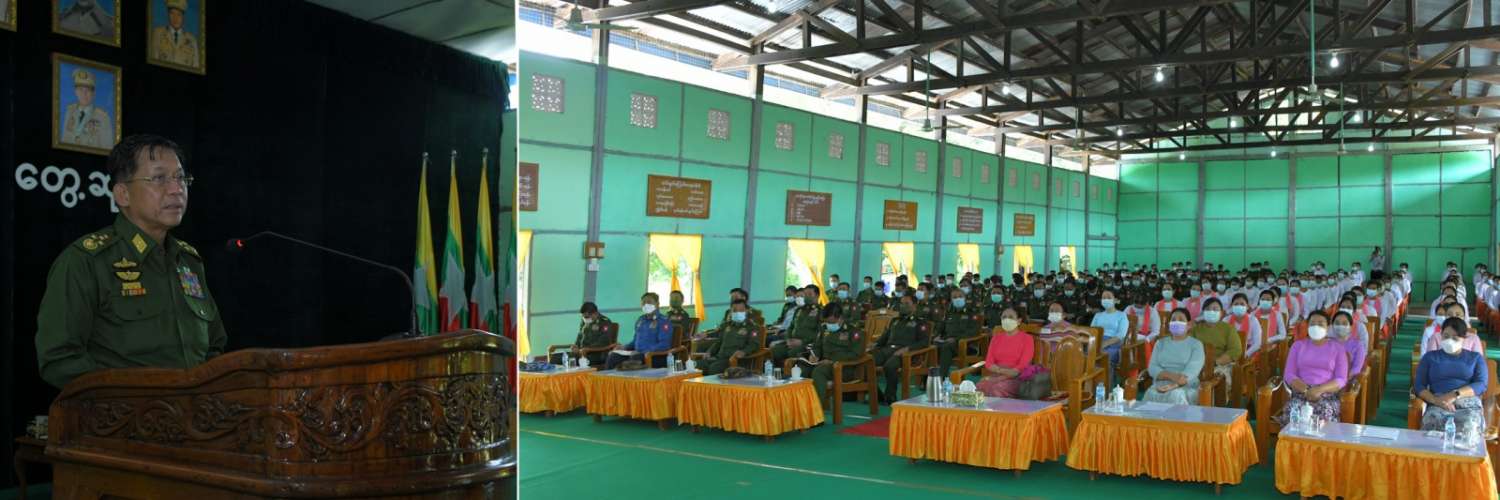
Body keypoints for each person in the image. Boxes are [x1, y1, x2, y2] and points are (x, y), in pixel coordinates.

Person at [36, 135, 223, 389]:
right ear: (123, 194)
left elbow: (214, 347)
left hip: (195, 412)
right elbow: (59, 359)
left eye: (180, 178)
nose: (176, 189)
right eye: (159, 178)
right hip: (124, 411)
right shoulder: (86, 261)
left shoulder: (189, 261)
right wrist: (128, 399)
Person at [1412, 317, 1489, 443]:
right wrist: (1435, 400)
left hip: (1467, 404)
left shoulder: (1475, 358)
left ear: (1464, 338)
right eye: (1446, 336)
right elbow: (1419, 386)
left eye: (1455, 338)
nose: (1449, 341)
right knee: (1432, 421)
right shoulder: (1430, 357)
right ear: (1441, 335)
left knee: (1469, 424)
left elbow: (1481, 384)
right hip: (1439, 404)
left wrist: (1455, 394)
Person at [1274, 311, 1349, 426]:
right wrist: (1306, 390)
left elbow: (1341, 379)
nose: (1316, 327)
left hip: (1327, 395)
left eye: (1320, 324)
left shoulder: (1338, 348)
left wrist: (1319, 390)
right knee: (1294, 412)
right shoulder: (1298, 346)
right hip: (1301, 393)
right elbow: (1289, 374)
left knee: (1324, 412)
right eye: (1312, 324)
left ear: (1328, 327)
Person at [977, 308, 1049, 399]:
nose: (1007, 319)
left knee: (997, 388)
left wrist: (998, 377)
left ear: (1019, 321)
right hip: (996, 375)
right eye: (1004, 317)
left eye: (1011, 317)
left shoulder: (1027, 339)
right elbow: (989, 362)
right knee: (980, 386)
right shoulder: (996, 338)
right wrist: (998, 374)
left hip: (1017, 378)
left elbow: (1022, 367)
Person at [802, 306, 863, 408]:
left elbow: (856, 354)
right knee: (801, 369)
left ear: (840, 318)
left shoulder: (853, 331)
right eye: (826, 322)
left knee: (818, 372)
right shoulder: (824, 329)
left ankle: (817, 409)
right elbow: (817, 346)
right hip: (824, 364)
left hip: (844, 368)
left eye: (831, 322)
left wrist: (832, 360)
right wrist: (814, 355)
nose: (828, 325)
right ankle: (801, 407)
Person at [874, 294, 930, 403]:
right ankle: (877, 395)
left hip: (905, 354)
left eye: (907, 303)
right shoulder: (895, 320)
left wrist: (907, 349)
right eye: (902, 303)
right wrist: (874, 345)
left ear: (914, 306)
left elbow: (924, 342)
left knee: (889, 366)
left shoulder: (920, 323)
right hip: (887, 350)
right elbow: (885, 336)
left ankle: (890, 396)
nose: (903, 306)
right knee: (867, 362)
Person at [1143, 308, 1205, 405]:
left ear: (1189, 325)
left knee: (1175, 395)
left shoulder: (1196, 345)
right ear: (1169, 324)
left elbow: (1193, 370)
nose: (1177, 322)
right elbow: (1152, 367)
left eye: (1181, 320)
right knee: (1150, 394)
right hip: (1161, 383)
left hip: (1186, 386)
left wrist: (1174, 385)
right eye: (1173, 320)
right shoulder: (1160, 343)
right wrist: (1171, 376)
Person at [605, 293, 675, 369]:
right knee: (613, 356)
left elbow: (664, 344)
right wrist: (624, 347)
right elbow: (635, 341)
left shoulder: (663, 321)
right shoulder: (641, 320)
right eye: (643, 303)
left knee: (634, 359)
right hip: (637, 354)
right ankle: (605, 377)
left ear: (657, 304)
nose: (646, 305)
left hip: (655, 356)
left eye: (649, 302)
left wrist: (644, 351)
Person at [1189, 298, 1244, 390]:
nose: (1211, 311)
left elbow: (1235, 350)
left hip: (1221, 365)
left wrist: (1214, 362)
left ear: (1221, 313)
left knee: (1216, 380)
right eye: (1208, 309)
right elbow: (1188, 348)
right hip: (1198, 365)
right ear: (1203, 313)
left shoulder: (1228, 329)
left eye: (1215, 309)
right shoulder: (1195, 330)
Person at [696, 300, 760, 375]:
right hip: (719, 358)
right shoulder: (727, 325)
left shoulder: (751, 327)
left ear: (746, 311)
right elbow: (719, 342)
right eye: (735, 310)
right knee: (696, 365)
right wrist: (709, 352)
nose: (738, 313)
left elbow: (754, 344)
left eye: (741, 310)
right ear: (731, 311)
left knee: (713, 368)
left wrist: (744, 352)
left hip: (735, 360)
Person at [61, 68, 114, 150]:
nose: (84, 94)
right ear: (75, 91)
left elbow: (108, 148)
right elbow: (64, 139)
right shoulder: (70, 111)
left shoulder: (103, 117)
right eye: (80, 90)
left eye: (88, 90)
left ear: (94, 93)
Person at [934, 287, 982, 376]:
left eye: (960, 296)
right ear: (951, 300)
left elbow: (974, 331)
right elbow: (941, 328)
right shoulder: (949, 313)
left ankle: (941, 377)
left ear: (965, 298)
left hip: (965, 344)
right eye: (954, 297)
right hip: (947, 341)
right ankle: (928, 378)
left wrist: (956, 339)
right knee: (931, 346)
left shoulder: (972, 312)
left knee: (946, 347)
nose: (957, 299)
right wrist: (936, 336)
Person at [771, 286, 823, 366]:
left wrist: (802, 342)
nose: (806, 296)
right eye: (805, 294)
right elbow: (791, 327)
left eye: (809, 294)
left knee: (792, 353)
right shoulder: (799, 310)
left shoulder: (821, 312)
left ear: (817, 296)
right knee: (776, 350)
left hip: (807, 344)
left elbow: (820, 333)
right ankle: (778, 372)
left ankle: (791, 372)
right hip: (792, 342)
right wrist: (788, 339)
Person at [150, 0, 199, 68]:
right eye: (172, 13)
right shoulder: (157, 34)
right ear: (168, 15)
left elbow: (196, 66)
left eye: (179, 14)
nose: (175, 18)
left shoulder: (192, 40)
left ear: (183, 17)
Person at [1091, 289, 1129, 367]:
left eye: (1108, 297)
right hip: (1098, 342)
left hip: (1114, 343)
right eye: (1103, 298)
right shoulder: (1098, 315)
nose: (1105, 300)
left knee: (1102, 358)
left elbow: (1121, 335)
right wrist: (1098, 344)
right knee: (1085, 356)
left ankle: (1106, 375)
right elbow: (1092, 331)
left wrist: (1104, 344)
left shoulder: (1122, 315)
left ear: (1115, 300)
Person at [1330, 311, 1366, 378]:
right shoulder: (1328, 343)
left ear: (1351, 327)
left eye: (1344, 323)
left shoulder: (1358, 345)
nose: (1340, 326)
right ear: (1332, 326)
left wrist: (1342, 379)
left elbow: (1356, 369)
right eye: (1337, 323)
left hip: (1347, 379)